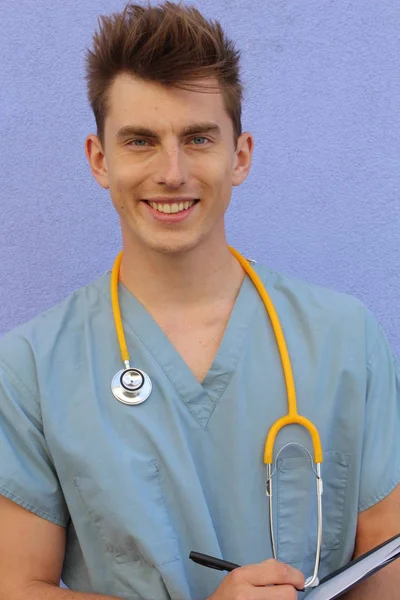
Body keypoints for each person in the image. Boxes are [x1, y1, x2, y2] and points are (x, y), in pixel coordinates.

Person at [0, 1, 399, 599]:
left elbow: (387, 566)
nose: (172, 171)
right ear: (99, 160)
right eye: (140, 141)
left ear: (239, 156)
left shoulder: (343, 336)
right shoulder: (31, 366)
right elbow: (18, 586)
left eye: (198, 138)